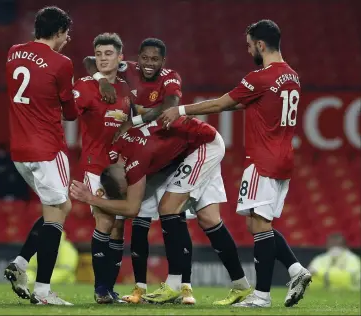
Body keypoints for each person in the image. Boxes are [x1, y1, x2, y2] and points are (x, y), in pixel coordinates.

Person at [160, 19, 312, 308]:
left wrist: (179, 110)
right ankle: (296, 270)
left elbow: (222, 103)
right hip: (284, 159)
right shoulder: (292, 76)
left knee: (260, 225)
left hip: (262, 159)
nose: (248, 50)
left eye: (249, 45)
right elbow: (248, 102)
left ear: (260, 44)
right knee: (258, 224)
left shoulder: (260, 77)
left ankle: (261, 296)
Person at [70, 117, 251, 305]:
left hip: (203, 146)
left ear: (125, 174)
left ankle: (174, 286)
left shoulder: (135, 165)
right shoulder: (120, 153)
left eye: (128, 188)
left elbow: (132, 207)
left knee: (168, 207)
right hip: (191, 148)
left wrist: (91, 199)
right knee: (209, 219)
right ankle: (241, 285)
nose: (133, 190)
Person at [84, 38, 196, 304]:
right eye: (144, 58)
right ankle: (130, 289)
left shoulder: (170, 77)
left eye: (154, 59)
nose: (148, 64)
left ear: (163, 61)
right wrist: (101, 80)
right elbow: (89, 62)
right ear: (137, 57)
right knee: (130, 224)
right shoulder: (128, 69)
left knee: (178, 219)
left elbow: (170, 104)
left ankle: (184, 287)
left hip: (168, 155)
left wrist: (132, 121)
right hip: (140, 154)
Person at [3, 6, 76, 306]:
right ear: (58, 32)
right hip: (47, 149)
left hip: (19, 151)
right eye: (66, 33)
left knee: (58, 209)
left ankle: (21, 264)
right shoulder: (62, 63)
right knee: (58, 212)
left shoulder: (13, 52)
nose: (67, 38)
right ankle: (43, 291)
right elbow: (70, 114)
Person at [72, 33, 131, 304]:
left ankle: (109, 289)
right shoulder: (84, 85)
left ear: (120, 57)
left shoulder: (126, 88)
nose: (103, 58)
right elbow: (67, 112)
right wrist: (96, 79)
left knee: (118, 228)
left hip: (120, 168)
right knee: (105, 221)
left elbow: (132, 119)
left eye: (109, 53)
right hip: (96, 165)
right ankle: (100, 289)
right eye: (99, 54)